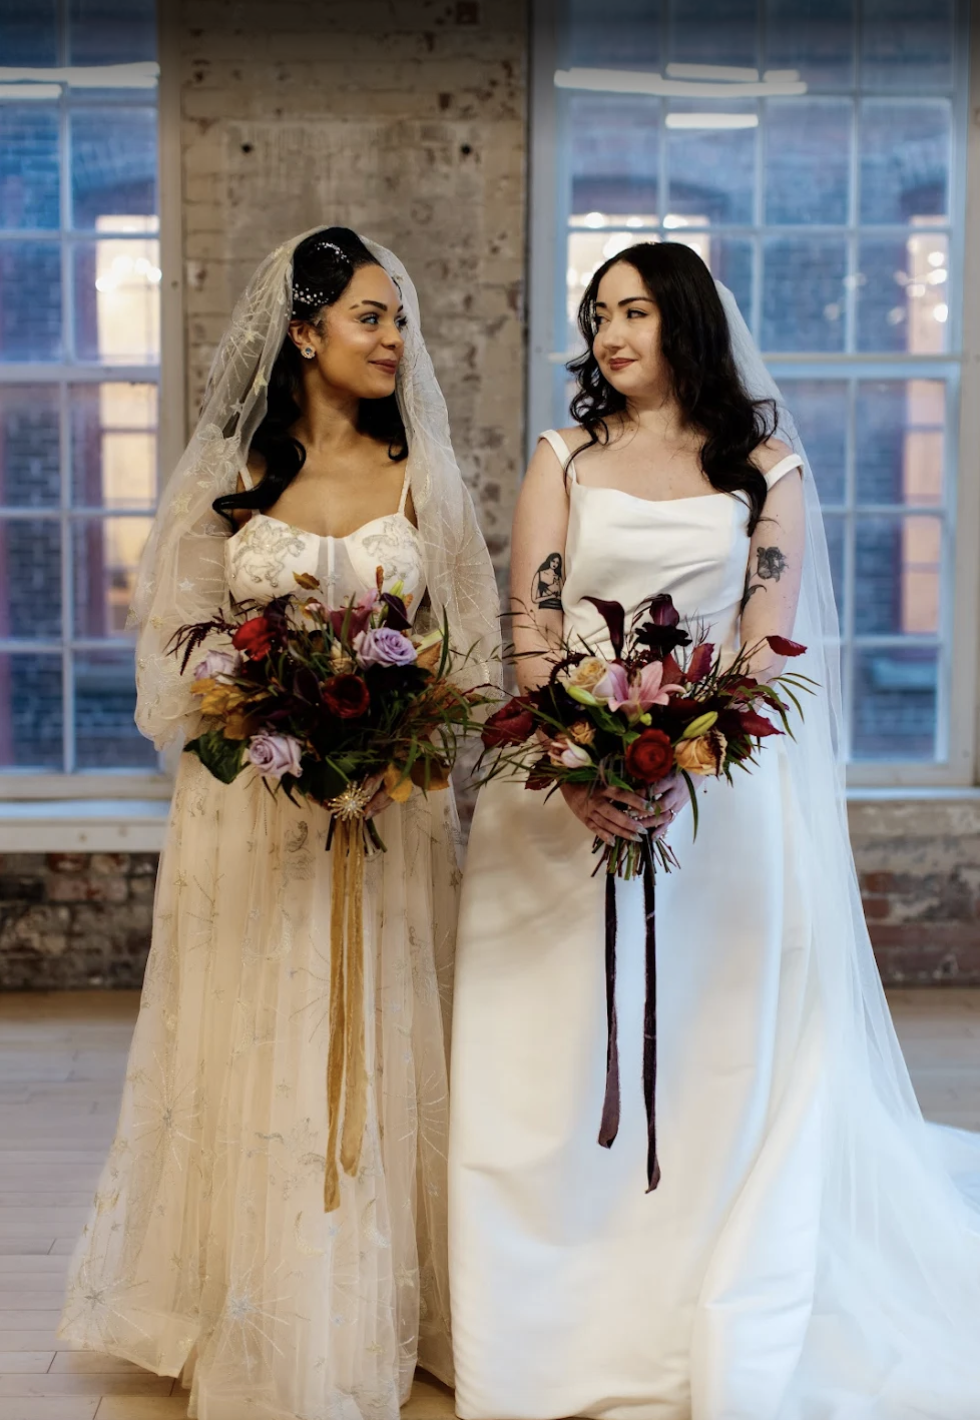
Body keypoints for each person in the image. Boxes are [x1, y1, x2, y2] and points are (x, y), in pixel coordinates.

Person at [449, 241, 980, 1419]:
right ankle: (539, 1308)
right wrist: (568, 754)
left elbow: (757, 641)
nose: (609, 336)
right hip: (557, 788)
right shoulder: (562, 458)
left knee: (707, 1047)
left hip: (714, 790)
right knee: (543, 1048)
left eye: (632, 311)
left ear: (684, 318)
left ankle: (689, 1282)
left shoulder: (766, 471)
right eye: (596, 318)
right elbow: (530, 616)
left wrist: (681, 758)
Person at [58, 227, 500, 1420]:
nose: (394, 339)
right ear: (303, 333)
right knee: (255, 1033)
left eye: (399, 318)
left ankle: (381, 1298)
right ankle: (255, 1299)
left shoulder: (427, 480)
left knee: (376, 1032)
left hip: (385, 815)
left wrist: (390, 749)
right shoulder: (223, 476)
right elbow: (173, 658)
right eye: (369, 316)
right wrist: (273, 737)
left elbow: (468, 653)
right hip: (251, 818)